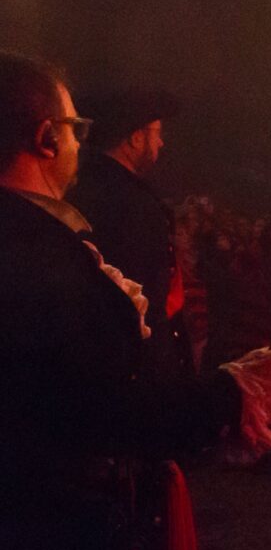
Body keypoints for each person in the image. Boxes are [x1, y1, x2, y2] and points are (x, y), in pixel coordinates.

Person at [0, 54, 271, 550]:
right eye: (74, 128)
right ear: (47, 137)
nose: (82, 144)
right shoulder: (44, 259)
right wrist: (233, 395)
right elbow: (117, 403)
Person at [68, 88, 187, 380]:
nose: (161, 142)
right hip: (135, 371)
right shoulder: (133, 204)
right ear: (135, 138)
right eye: (156, 132)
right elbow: (147, 299)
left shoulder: (75, 189)